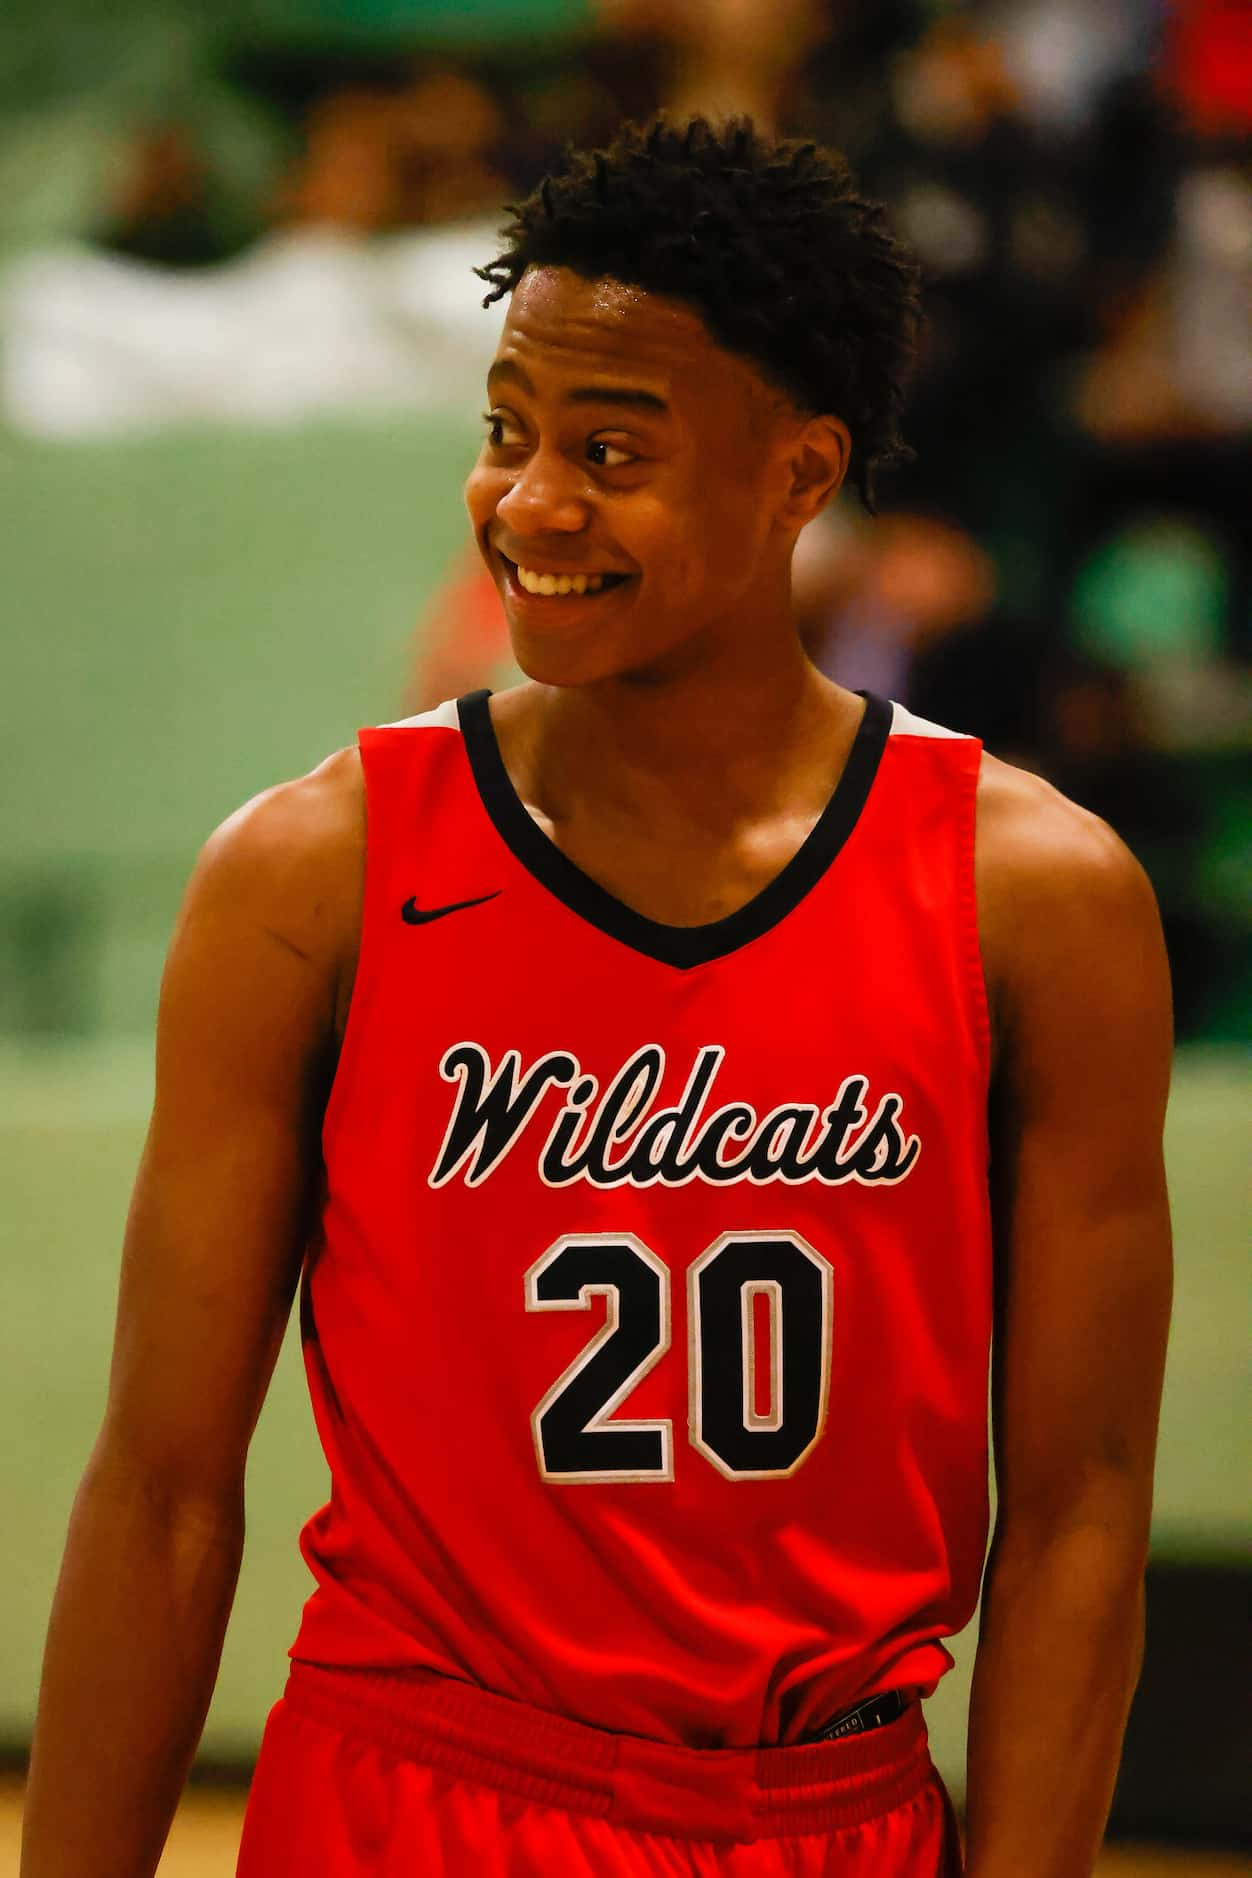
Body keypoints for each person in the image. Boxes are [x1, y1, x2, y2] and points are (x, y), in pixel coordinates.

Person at [22, 116, 1173, 1878]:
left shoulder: (1037, 898)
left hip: (827, 1814)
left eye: (612, 448)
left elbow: (1081, 1514)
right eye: (508, 433)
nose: (531, 501)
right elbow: (164, 1494)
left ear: (801, 475)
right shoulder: (310, 872)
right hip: (406, 1795)